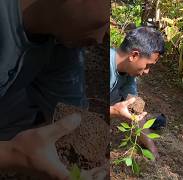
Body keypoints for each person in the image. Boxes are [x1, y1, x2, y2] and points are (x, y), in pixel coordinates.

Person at [0, 0, 107, 179]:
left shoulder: (59, 41)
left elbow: (72, 115)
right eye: (102, 22)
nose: (99, 39)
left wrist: (89, 150)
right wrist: (10, 154)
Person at [109, 27, 165, 158]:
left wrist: (152, 148)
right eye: (147, 65)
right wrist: (113, 111)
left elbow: (135, 110)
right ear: (134, 55)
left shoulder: (129, 74)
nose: (147, 72)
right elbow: (74, 111)